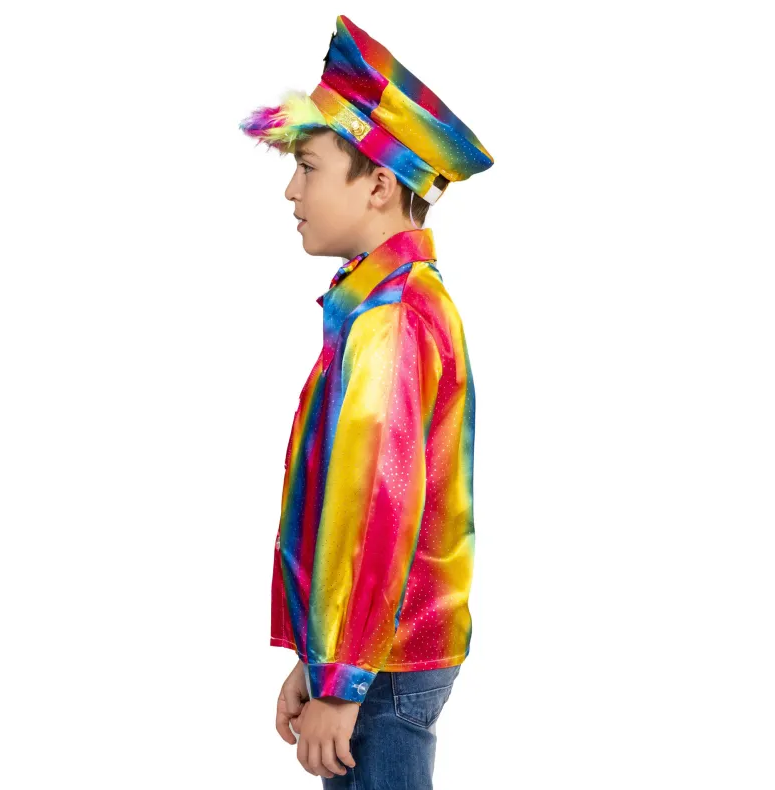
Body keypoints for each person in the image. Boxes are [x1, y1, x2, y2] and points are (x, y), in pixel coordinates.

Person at [238, 14, 494, 789]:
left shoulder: (392, 320)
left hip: (382, 662)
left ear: (379, 185)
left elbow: (378, 511)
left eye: (308, 167)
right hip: (370, 655)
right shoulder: (374, 307)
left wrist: (342, 678)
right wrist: (317, 661)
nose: (291, 189)